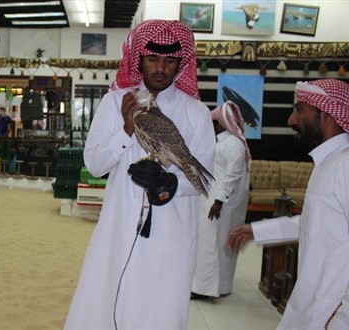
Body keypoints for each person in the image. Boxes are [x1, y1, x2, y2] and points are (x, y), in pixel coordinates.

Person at [64, 20, 215, 329]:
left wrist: (169, 183)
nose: (161, 68)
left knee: (158, 314)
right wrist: (126, 129)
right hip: (116, 232)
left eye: (170, 60)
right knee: (102, 309)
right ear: (139, 59)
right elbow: (94, 164)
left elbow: (205, 177)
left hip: (169, 238)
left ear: (180, 62)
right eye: (152, 59)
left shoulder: (195, 113)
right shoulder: (113, 103)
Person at [228, 79, 349, 329]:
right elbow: (313, 223)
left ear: (325, 113)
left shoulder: (345, 165)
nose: (291, 120)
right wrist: (256, 230)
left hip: (333, 313)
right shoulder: (328, 162)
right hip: (312, 303)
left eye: (299, 109)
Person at [192, 101, 251, 299]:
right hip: (214, 200)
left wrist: (218, 201)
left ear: (220, 123)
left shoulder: (233, 144)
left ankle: (205, 288)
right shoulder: (222, 142)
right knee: (212, 244)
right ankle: (213, 286)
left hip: (218, 204)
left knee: (212, 245)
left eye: (213, 122)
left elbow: (232, 175)